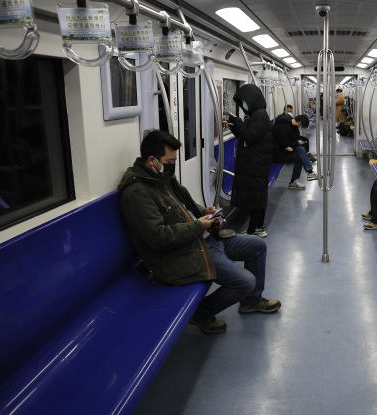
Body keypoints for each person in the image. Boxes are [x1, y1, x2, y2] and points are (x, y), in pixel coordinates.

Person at [119, 130, 281, 335]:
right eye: (169, 160)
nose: (172, 165)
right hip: (183, 254)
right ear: (152, 160)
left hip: (202, 240)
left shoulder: (162, 179)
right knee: (245, 282)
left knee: (257, 246)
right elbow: (159, 237)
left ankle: (251, 302)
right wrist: (199, 226)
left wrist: (205, 212)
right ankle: (201, 313)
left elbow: (182, 205)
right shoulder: (137, 193)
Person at [226, 83, 273, 237]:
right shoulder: (256, 115)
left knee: (257, 199)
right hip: (256, 163)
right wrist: (235, 126)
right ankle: (256, 227)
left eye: (245, 102)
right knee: (256, 197)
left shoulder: (260, 115)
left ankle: (256, 229)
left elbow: (250, 137)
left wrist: (238, 124)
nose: (244, 105)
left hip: (256, 164)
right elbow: (247, 135)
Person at [273, 113, 316, 189]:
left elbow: (293, 138)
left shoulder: (293, 124)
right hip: (277, 151)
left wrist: (300, 141)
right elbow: (285, 144)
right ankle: (308, 173)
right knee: (299, 153)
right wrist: (296, 143)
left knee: (300, 152)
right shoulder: (282, 127)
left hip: (285, 147)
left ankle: (307, 174)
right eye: (301, 126)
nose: (300, 128)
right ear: (299, 123)